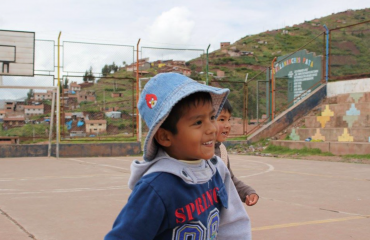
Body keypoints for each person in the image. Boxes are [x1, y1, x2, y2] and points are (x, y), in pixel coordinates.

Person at [105, 73, 251, 240]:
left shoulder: (216, 169)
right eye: (198, 122)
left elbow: (233, 224)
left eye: (212, 117)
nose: (211, 129)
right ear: (165, 137)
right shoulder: (157, 188)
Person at [215, 99, 259, 206]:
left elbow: (229, 179)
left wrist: (248, 192)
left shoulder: (222, 150)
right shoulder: (193, 153)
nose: (228, 125)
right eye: (221, 119)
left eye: (228, 119)